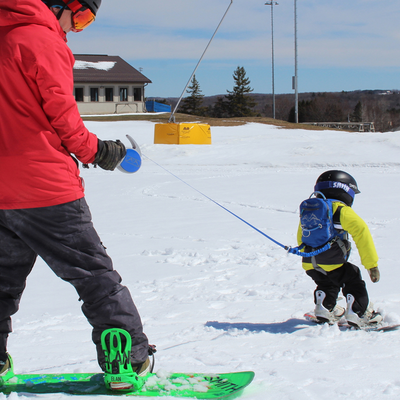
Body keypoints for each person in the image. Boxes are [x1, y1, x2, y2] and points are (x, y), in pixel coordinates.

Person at [0, 0, 151, 388]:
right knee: (93, 275)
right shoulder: (41, 39)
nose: (76, 28)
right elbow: (63, 115)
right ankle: (126, 362)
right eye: (81, 17)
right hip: (44, 187)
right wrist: (100, 151)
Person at [298, 170, 382, 328]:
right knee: (352, 277)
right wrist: (371, 264)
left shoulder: (310, 211)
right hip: (333, 261)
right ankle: (360, 313)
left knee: (327, 282)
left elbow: (302, 236)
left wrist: (310, 255)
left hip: (309, 263)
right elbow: (362, 233)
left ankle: (324, 308)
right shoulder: (340, 210)